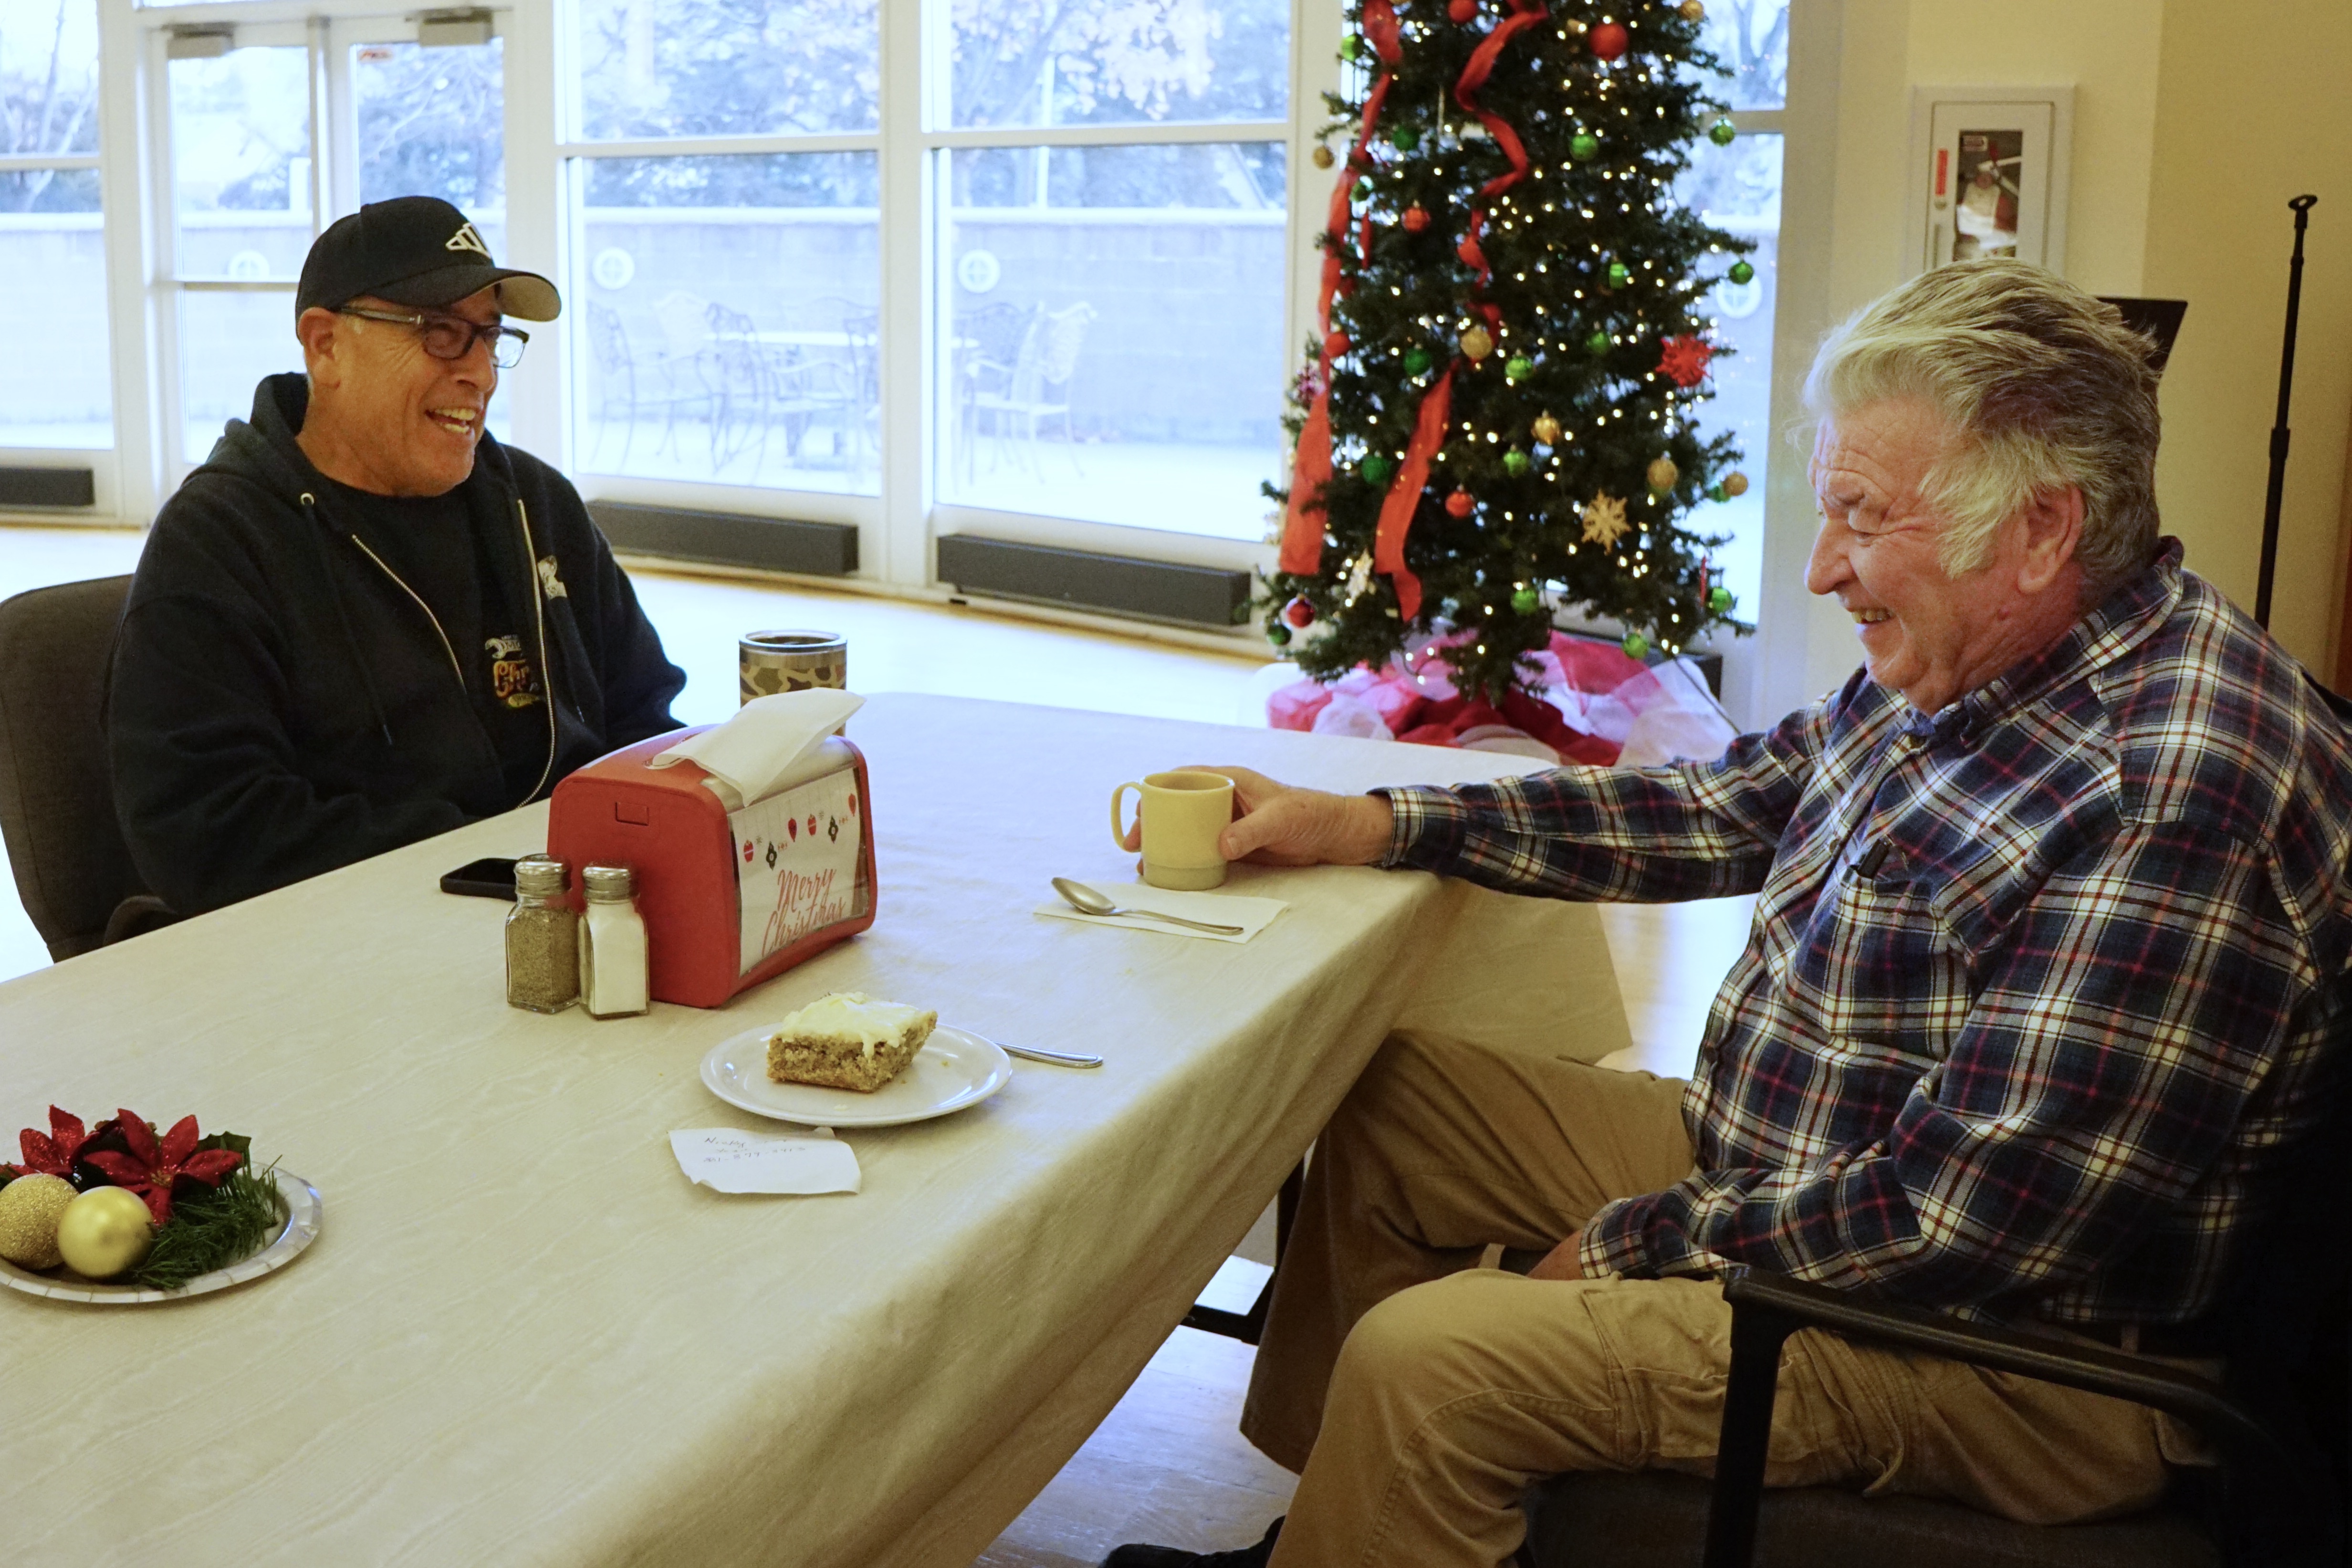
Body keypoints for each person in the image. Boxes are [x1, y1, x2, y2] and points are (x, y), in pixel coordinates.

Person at [1106, 260, 2352, 1568]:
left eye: (1862, 517)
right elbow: (1725, 801)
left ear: (2041, 530)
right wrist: (1374, 818)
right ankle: (1363, 1526)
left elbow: (1958, 1221)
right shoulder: (1982, 661)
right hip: (1806, 1169)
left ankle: (1405, 1487)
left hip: (2016, 1354)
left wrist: (1626, 1241)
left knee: (1440, 1356)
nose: (1822, 569)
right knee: (1392, 1106)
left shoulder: (2166, 789)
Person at [109, 196, 685, 917]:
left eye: (490, 335)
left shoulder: (534, 503)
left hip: (567, 913)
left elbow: (644, 717)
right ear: (325, 345)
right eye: (442, 333)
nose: (482, 372)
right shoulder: (220, 542)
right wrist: (492, 866)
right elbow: (210, 836)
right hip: (355, 947)